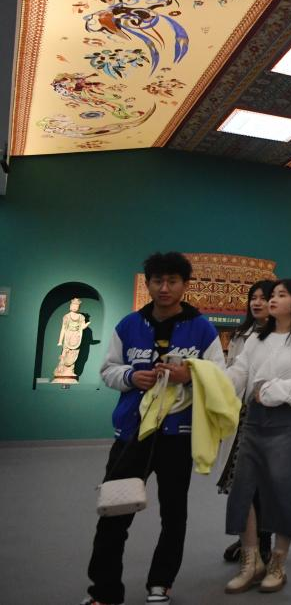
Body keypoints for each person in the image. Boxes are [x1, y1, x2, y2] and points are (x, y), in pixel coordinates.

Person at [81, 252, 227, 605]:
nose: (164, 288)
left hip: (178, 436)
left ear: (185, 285)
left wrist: (188, 375)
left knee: (173, 515)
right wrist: (132, 376)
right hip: (132, 434)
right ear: (147, 284)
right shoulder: (128, 325)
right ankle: (104, 591)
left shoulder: (202, 328)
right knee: (114, 512)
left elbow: (220, 377)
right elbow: (107, 370)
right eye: (158, 281)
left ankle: (161, 583)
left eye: (172, 281)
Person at [223, 279, 291, 593]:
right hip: (254, 423)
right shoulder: (257, 339)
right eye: (273, 295)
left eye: (281, 295)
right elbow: (239, 372)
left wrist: (269, 390)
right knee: (242, 491)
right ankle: (251, 560)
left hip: (289, 424)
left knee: (286, 493)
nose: (272, 299)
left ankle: (278, 563)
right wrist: (212, 381)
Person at [219, 280, 276, 565]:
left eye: (263, 298)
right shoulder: (242, 335)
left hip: (272, 417)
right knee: (243, 482)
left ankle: (263, 542)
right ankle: (247, 539)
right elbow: (233, 371)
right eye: (253, 298)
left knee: (265, 483)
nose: (257, 303)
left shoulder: (284, 336)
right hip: (243, 416)